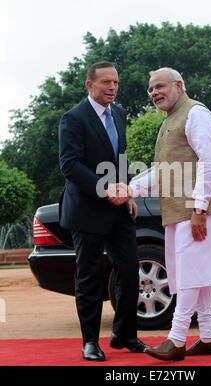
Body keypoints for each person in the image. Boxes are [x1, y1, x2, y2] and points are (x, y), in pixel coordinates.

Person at [110, 67, 211, 362]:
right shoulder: (169, 120)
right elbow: (163, 173)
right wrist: (131, 189)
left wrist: (199, 209)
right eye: (150, 89)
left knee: (189, 274)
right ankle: (210, 336)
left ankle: (176, 340)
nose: (154, 93)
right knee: (197, 274)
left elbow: (209, 162)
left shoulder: (196, 113)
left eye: (159, 86)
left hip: (196, 212)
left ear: (179, 85)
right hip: (180, 213)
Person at [58, 61, 147, 361]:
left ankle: (124, 335)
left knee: (129, 271)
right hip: (87, 211)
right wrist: (104, 188)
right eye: (106, 82)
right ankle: (90, 342)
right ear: (90, 85)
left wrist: (127, 190)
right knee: (90, 277)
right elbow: (70, 165)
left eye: (116, 83)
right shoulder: (73, 118)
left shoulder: (119, 113)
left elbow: (119, 156)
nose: (112, 88)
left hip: (120, 209)